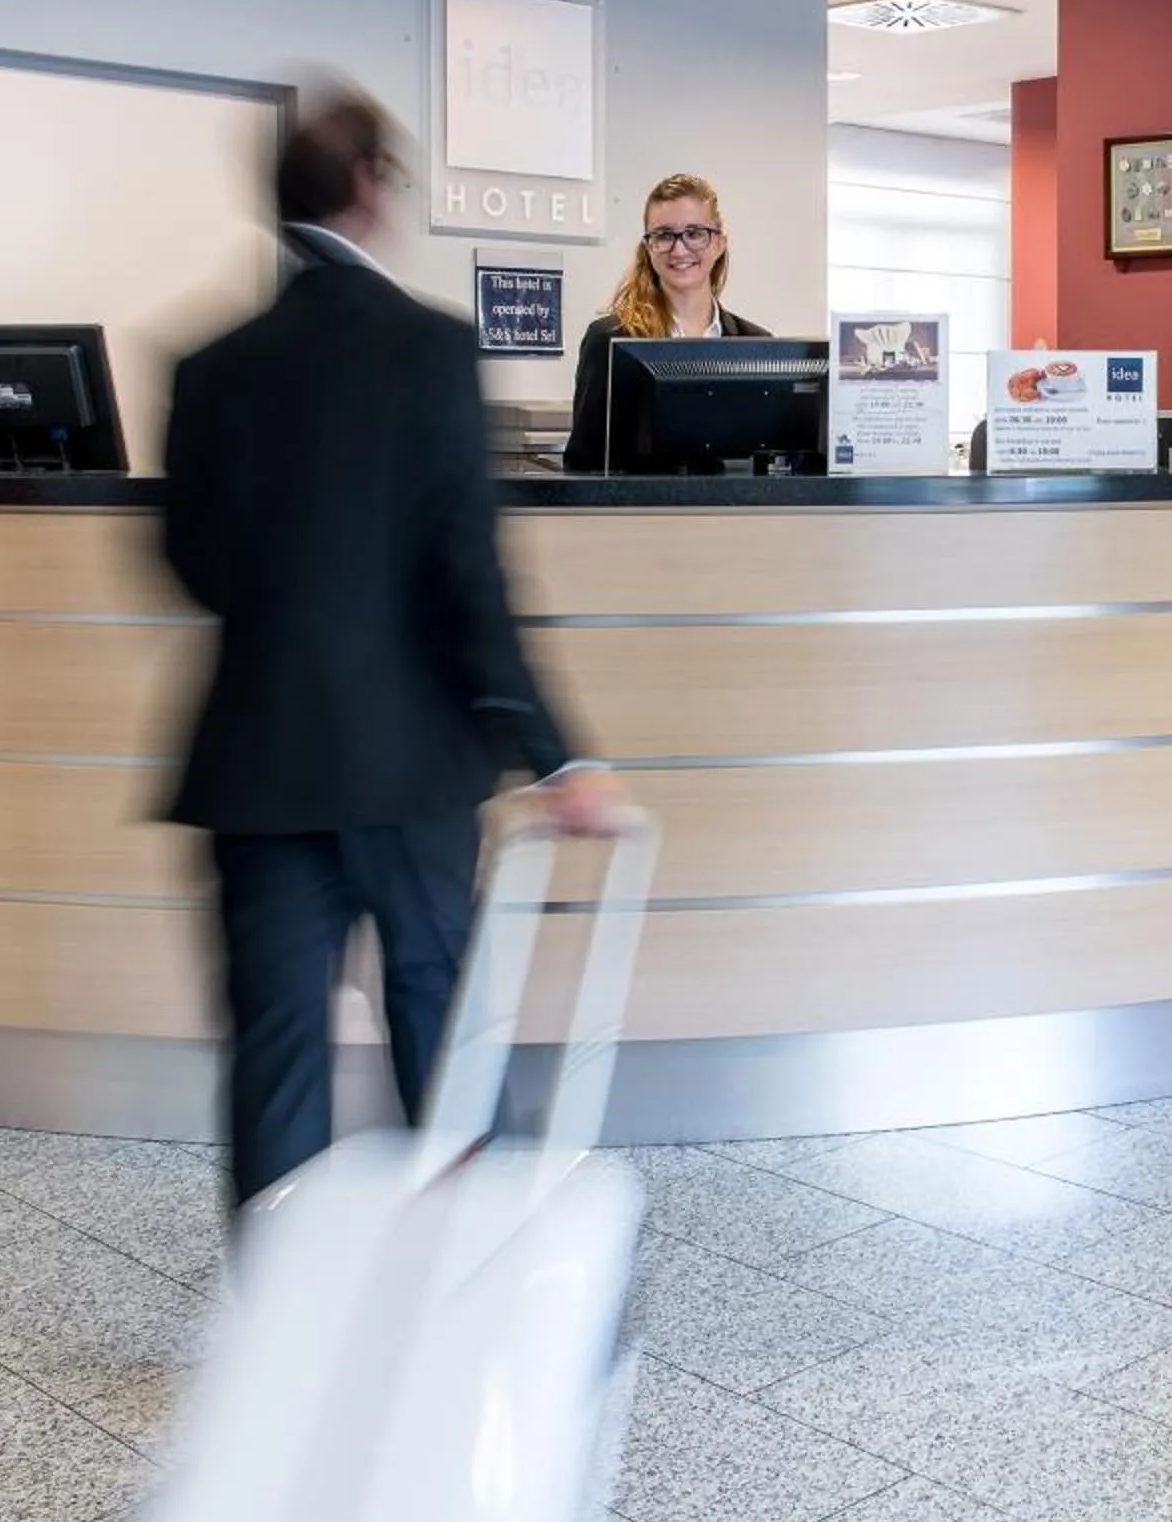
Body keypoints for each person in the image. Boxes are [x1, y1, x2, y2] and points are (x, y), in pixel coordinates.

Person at [161, 91, 624, 1210]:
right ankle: (464, 1289)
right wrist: (557, 755)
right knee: (443, 1032)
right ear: (371, 187)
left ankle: (280, 1323)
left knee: (276, 1052)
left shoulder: (209, 365)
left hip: (257, 762)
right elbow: (469, 576)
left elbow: (185, 562)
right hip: (412, 763)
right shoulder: (428, 348)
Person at [563, 173, 771, 472]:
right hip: (638, 517)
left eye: (695, 233)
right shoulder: (609, 340)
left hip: (731, 516)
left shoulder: (758, 345)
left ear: (719, 244)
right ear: (649, 247)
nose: (679, 249)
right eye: (663, 235)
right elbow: (584, 463)